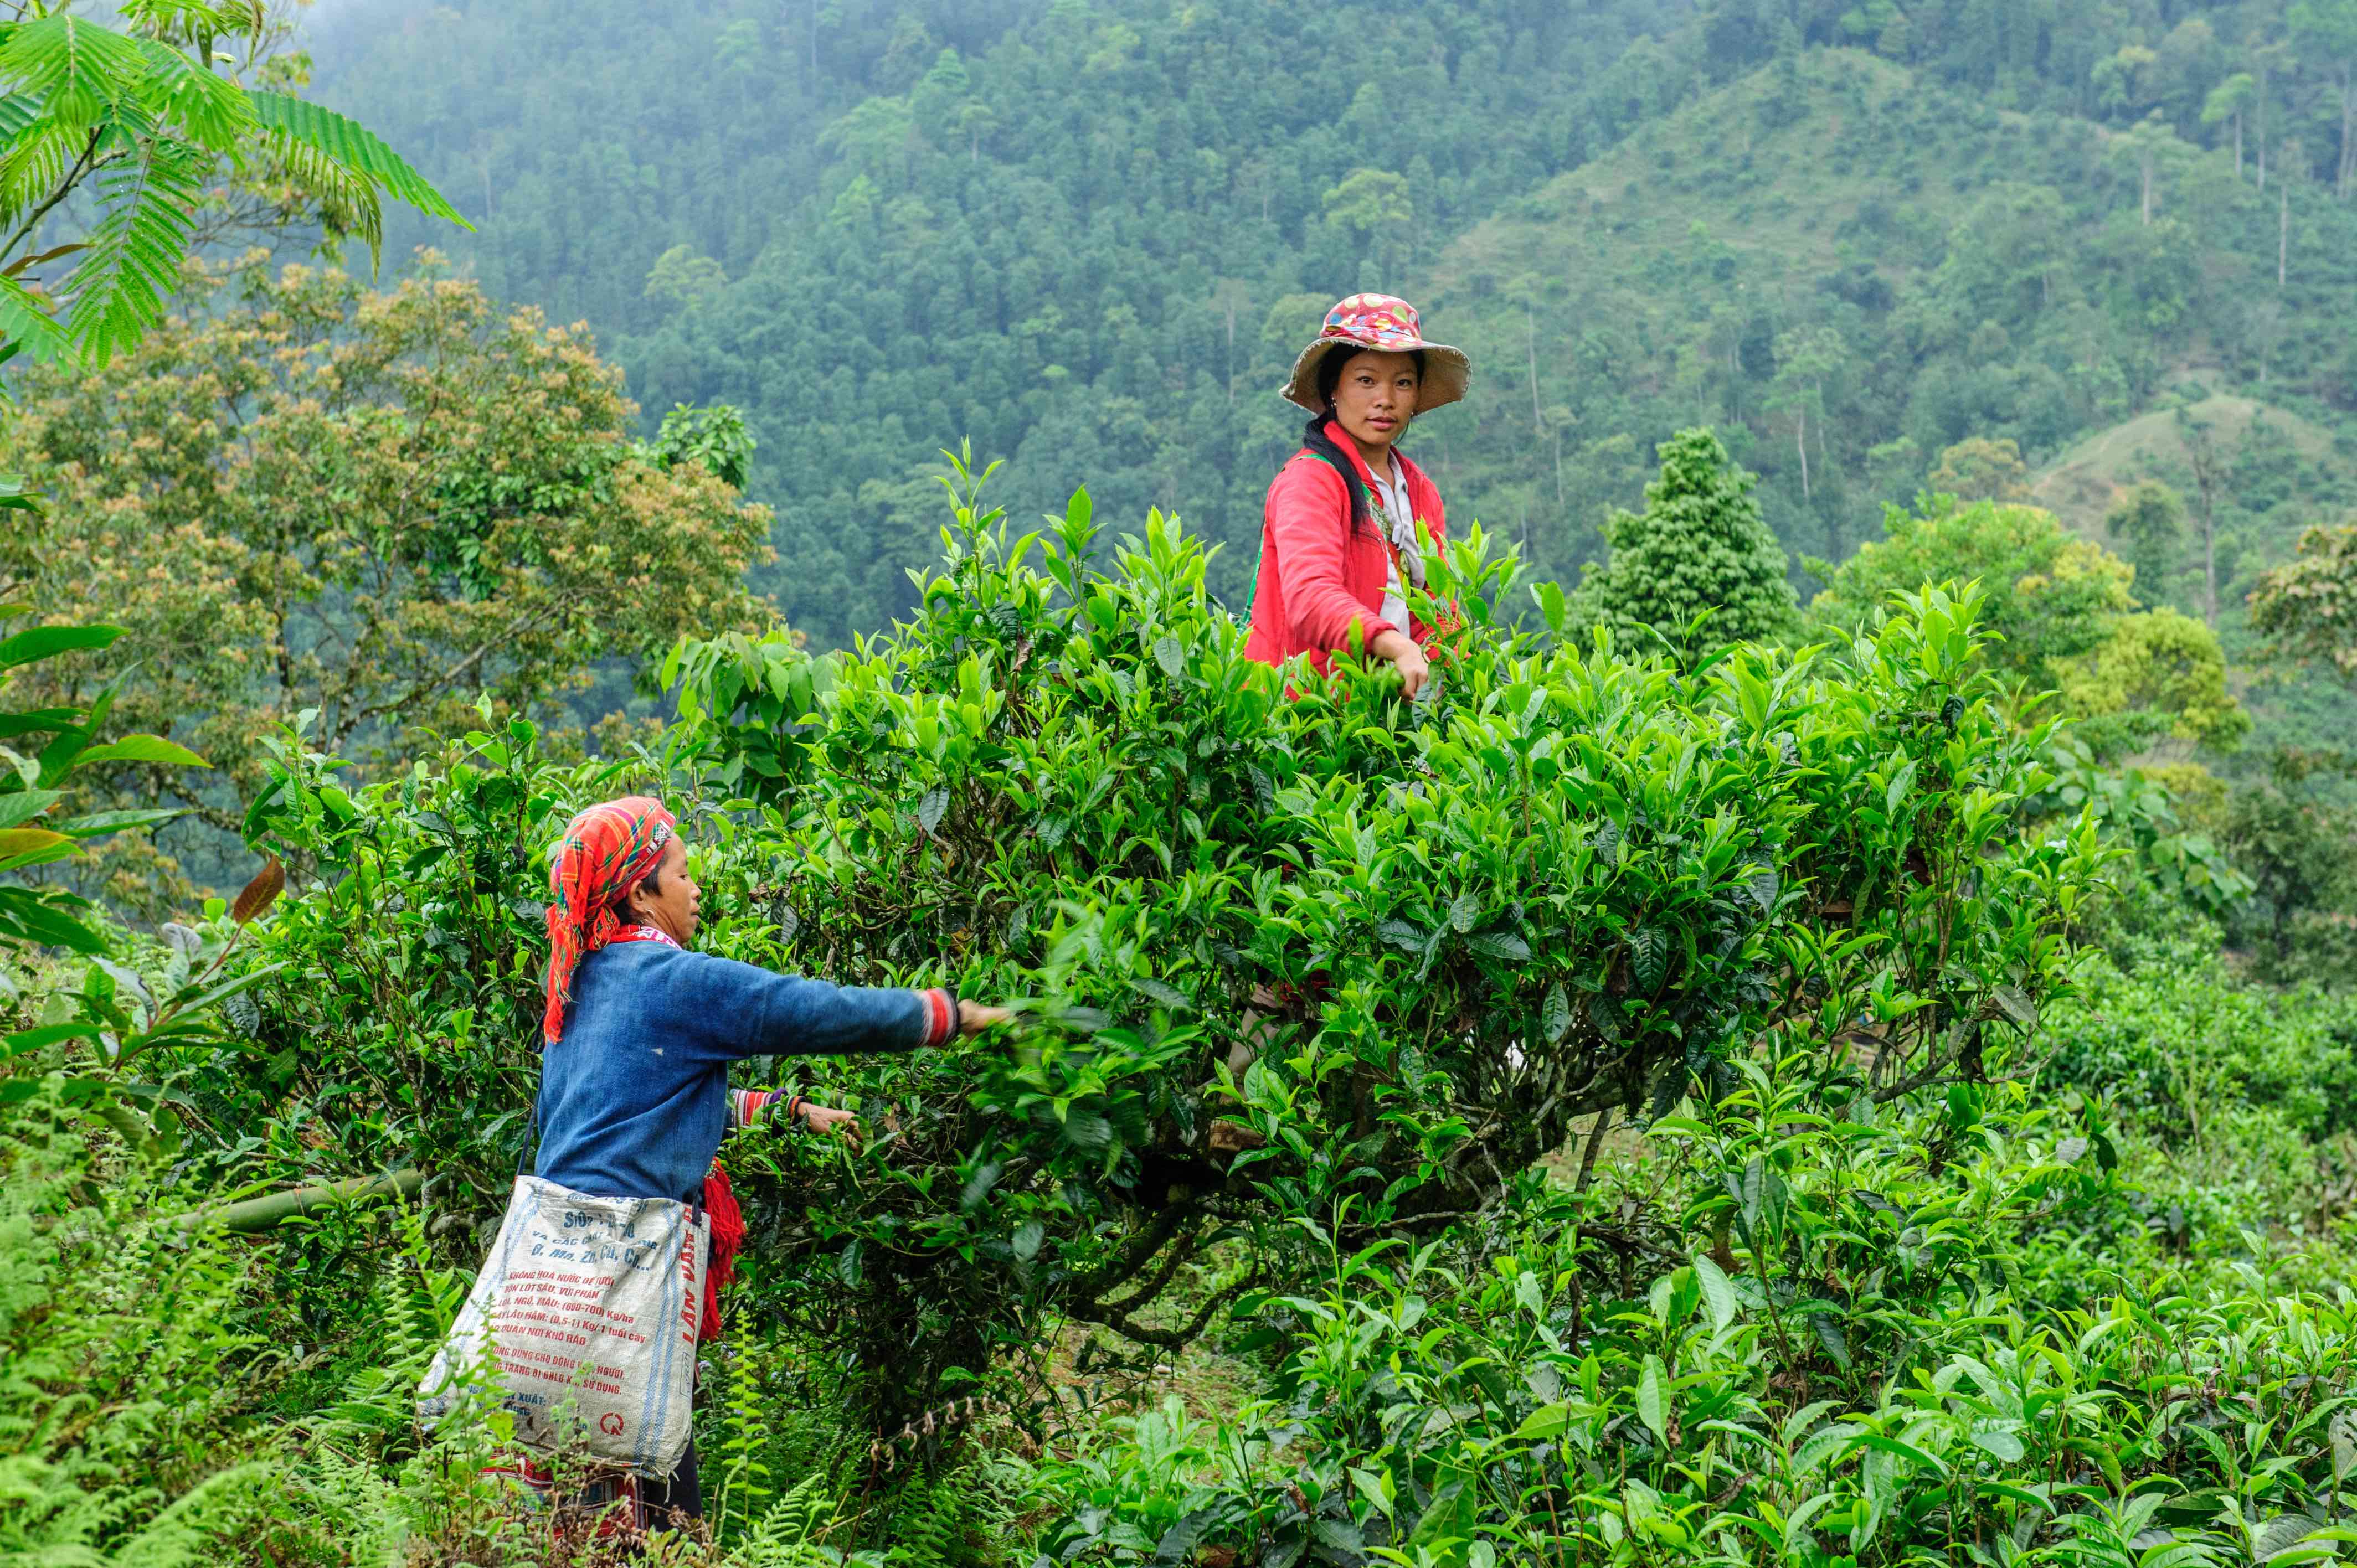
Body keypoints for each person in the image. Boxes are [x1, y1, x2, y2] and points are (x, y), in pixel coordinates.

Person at [529, 794, 1007, 1531]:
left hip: (552, 1276)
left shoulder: (577, 988)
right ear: (640, 895)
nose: (695, 889)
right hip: (629, 1273)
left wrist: (783, 1110)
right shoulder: (674, 981)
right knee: (650, 1488)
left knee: (578, 1485)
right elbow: (804, 1008)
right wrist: (940, 1016)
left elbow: (628, 1109)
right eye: (681, 874)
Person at [1243, 292, 1470, 698]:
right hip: (1311, 718)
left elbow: (1435, 608)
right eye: (1366, 380)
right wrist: (1396, 645)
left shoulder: (1418, 490)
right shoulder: (1311, 481)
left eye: (1403, 383)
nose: (1385, 399)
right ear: (1334, 388)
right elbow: (1311, 598)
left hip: (1391, 715)